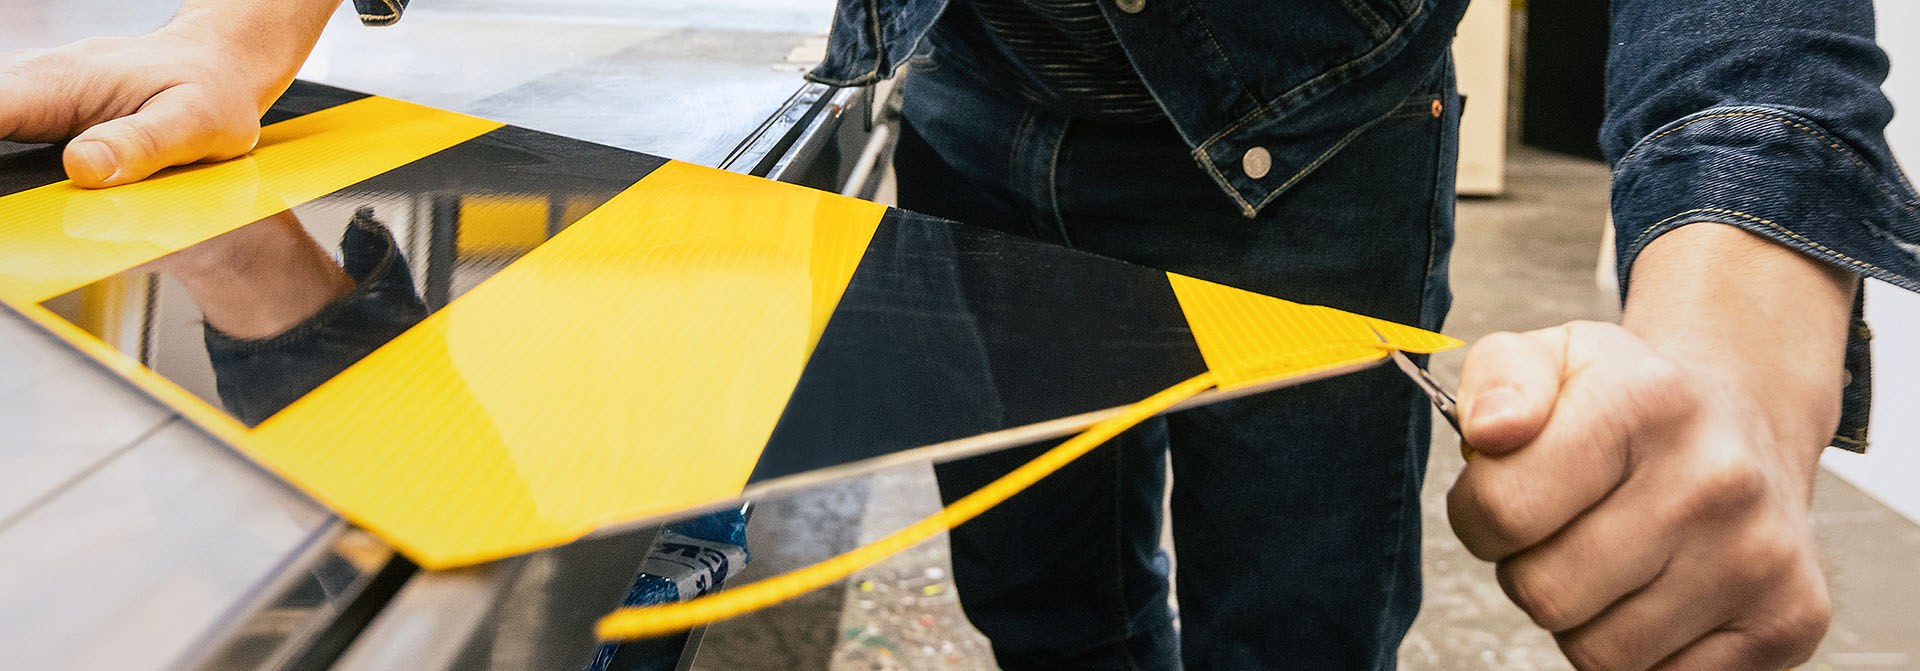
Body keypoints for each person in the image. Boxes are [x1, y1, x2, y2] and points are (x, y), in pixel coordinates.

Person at [2, 0, 1911, 669]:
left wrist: (1737, 328)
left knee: (1297, 623)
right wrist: (243, 35)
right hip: (971, 103)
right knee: (1049, 604)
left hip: (1314, 140)